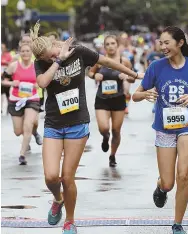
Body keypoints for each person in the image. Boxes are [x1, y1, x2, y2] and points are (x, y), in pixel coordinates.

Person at [30, 21, 140, 234]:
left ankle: (70, 221)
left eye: (50, 54)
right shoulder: (43, 61)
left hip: (77, 124)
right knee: (51, 177)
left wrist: (132, 74)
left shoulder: (79, 52)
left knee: (67, 177)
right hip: (54, 123)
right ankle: (57, 199)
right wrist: (57, 62)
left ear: (54, 44)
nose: (49, 58)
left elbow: (106, 61)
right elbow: (43, 83)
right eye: (45, 59)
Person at [132, 26, 188, 234]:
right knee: (169, 183)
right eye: (161, 43)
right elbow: (135, 95)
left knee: (183, 176)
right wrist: (146, 93)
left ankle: (177, 224)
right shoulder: (156, 67)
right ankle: (161, 187)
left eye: (167, 43)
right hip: (164, 129)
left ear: (179, 43)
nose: (163, 47)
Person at [88, 35, 132, 167]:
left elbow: (133, 77)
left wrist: (127, 77)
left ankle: (112, 155)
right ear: (104, 46)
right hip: (102, 99)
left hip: (118, 99)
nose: (111, 46)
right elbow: (89, 73)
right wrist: (95, 75)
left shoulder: (124, 62)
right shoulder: (100, 61)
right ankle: (105, 137)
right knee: (104, 128)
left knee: (116, 131)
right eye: (108, 44)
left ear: (117, 45)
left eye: (113, 43)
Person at [1, 43, 42, 165]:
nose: (25, 53)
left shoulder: (36, 66)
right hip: (16, 100)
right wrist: (12, 83)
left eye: (27, 51)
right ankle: (34, 131)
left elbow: (43, 81)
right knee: (18, 131)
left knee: (28, 124)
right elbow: (3, 80)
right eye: (23, 51)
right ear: (19, 53)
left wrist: (37, 85)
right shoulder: (14, 66)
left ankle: (22, 155)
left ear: (31, 53)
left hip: (32, 99)